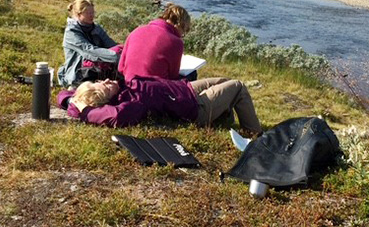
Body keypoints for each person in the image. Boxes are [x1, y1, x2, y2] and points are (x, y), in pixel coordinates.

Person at [57, 77, 262, 136]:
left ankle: (224, 119)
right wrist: (86, 111)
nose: (109, 80)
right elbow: (117, 116)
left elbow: (64, 95)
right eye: (105, 84)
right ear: (105, 97)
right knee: (238, 86)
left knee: (224, 81)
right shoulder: (130, 104)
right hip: (194, 108)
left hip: (184, 89)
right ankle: (254, 133)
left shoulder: (118, 92)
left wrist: (71, 102)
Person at [58, 0, 123, 88]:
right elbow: (89, 51)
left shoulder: (96, 28)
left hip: (98, 73)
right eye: (88, 13)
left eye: (93, 12)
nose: (92, 15)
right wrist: (119, 57)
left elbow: (111, 45)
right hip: (78, 76)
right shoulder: (71, 32)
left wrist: (126, 52)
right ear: (78, 14)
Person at [118, 3, 191, 82]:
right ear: (179, 25)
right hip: (154, 88)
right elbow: (173, 76)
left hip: (129, 83)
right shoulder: (176, 42)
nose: (182, 35)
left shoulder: (137, 30)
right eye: (184, 31)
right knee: (191, 74)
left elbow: (120, 67)